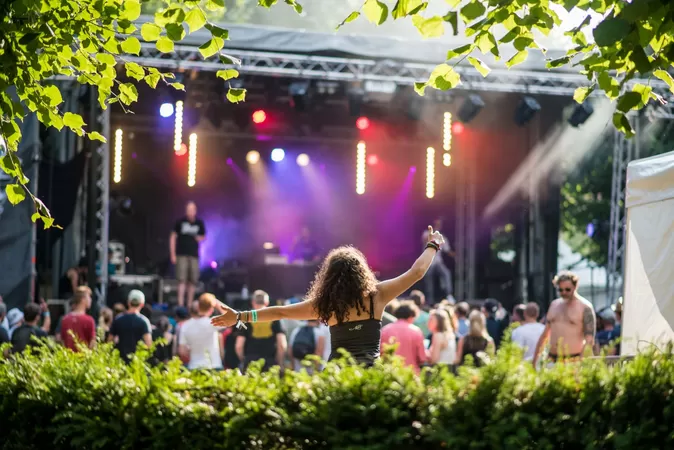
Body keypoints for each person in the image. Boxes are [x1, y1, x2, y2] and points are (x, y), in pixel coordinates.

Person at [211, 225, 445, 367]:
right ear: (362, 272)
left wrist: (240, 316)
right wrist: (432, 245)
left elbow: (279, 312)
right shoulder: (378, 296)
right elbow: (417, 272)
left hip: (338, 375)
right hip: (370, 375)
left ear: (329, 277)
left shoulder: (325, 305)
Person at [532, 271, 596, 367]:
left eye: (567, 289)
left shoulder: (585, 307)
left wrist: (581, 364)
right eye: (560, 290)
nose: (564, 292)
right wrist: (535, 360)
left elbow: (589, 341)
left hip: (574, 361)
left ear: (575, 287)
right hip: (552, 360)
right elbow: (545, 335)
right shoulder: (554, 305)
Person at [235, 290, 287, 372]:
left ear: (253, 302)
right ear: (267, 303)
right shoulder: (275, 318)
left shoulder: (244, 319)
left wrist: (244, 360)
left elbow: (239, 346)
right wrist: (279, 362)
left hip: (250, 363)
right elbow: (282, 345)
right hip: (270, 363)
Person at [170, 201, 206, 307]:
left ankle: (189, 305)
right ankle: (180, 304)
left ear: (195, 211)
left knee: (193, 280)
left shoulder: (199, 223)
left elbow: (204, 236)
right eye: (188, 209)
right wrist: (173, 254)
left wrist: (200, 238)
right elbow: (172, 237)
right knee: (181, 280)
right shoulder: (180, 222)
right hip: (181, 254)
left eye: (192, 209)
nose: (190, 212)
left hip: (194, 255)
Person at [178, 293, 226, 370]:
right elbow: (232, 316)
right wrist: (216, 302)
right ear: (211, 309)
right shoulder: (212, 323)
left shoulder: (185, 326)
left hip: (194, 366)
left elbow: (182, 351)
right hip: (213, 365)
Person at [380, 301, 427, 373]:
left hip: (390, 373)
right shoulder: (416, 331)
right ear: (411, 316)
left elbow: (380, 354)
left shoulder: (385, 330)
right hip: (411, 374)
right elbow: (422, 358)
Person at [108, 290, 153, 363]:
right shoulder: (144, 321)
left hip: (119, 362)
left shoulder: (118, 319)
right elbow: (148, 344)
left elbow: (109, 342)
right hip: (137, 364)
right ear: (142, 304)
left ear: (128, 302)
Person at [421, 219, 454, 304]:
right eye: (437, 223)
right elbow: (425, 240)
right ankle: (429, 300)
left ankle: (448, 295)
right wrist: (432, 237)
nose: (438, 225)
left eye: (439, 224)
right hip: (428, 262)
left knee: (446, 274)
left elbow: (447, 250)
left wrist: (457, 255)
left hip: (438, 262)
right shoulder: (426, 234)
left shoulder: (442, 237)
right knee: (429, 281)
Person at [60, 286, 96, 351]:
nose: (90, 299)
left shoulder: (65, 319)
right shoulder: (89, 320)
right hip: (84, 358)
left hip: (68, 358)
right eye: (89, 296)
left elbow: (63, 342)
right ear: (83, 299)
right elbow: (92, 344)